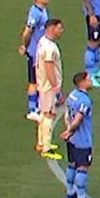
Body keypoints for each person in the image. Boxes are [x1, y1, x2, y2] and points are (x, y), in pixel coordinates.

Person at [59, 72, 97, 198]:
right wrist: (70, 131)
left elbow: (67, 114)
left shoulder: (72, 95)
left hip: (72, 140)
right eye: (88, 79)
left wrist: (68, 130)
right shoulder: (84, 100)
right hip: (82, 140)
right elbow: (78, 119)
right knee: (82, 167)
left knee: (72, 164)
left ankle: (70, 191)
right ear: (82, 82)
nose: (91, 81)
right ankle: (81, 197)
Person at [34, 19, 65, 160]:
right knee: (49, 114)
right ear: (52, 28)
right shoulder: (49, 48)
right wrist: (56, 88)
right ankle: (46, 147)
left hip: (43, 83)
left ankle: (41, 143)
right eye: (59, 28)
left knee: (44, 112)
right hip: (48, 86)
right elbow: (49, 67)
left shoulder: (43, 41)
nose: (61, 31)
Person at [19, 0, 51, 121]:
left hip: (41, 50)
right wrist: (25, 46)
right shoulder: (35, 13)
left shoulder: (42, 10)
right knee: (33, 80)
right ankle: (32, 110)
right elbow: (27, 32)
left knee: (40, 78)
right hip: (35, 52)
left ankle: (38, 105)